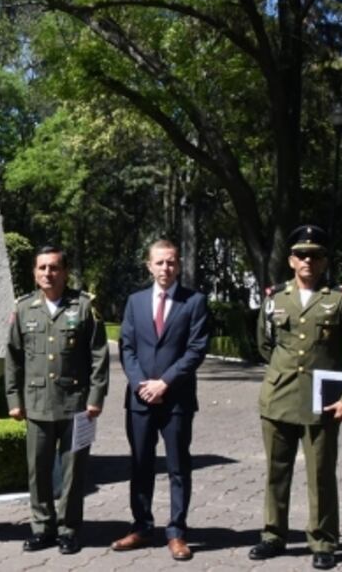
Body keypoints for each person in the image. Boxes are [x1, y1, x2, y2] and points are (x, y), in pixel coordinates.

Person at [249, 225, 342, 570]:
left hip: (323, 400)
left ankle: (324, 541)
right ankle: (273, 535)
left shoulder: (340, 300)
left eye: (315, 255)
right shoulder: (275, 299)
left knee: (321, 474)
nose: (308, 261)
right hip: (279, 397)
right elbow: (264, 343)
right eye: (301, 254)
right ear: (290, 260)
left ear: (325, 260)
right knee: (275, 471)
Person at [5, 245, 109, 555]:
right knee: (38, 469)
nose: (48, 274)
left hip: (76, 404)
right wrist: (14, 398)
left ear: (65, 272)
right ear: (34, 273)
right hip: (36, 404)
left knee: (74, 470)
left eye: (54, 268)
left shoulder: (84, 306)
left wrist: (95, 397)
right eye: (42, 268)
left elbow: (98, 355)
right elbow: (13, 358)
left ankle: (69, 528)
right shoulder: (24, 308)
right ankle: (42, 527)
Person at [112, 239, 210, 561]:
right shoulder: (135, 302)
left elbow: (196, 350)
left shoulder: (194, 302)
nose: (165, 268)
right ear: (149, 266)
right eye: (159, 262)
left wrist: (164, 383)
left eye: (171, 262)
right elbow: (126, 347)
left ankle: (177, 532)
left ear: (178, 265)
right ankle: (141, 526)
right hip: (140, 399)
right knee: (140, 464)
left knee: (178, 467)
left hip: (176, 400)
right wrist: (142, 384)